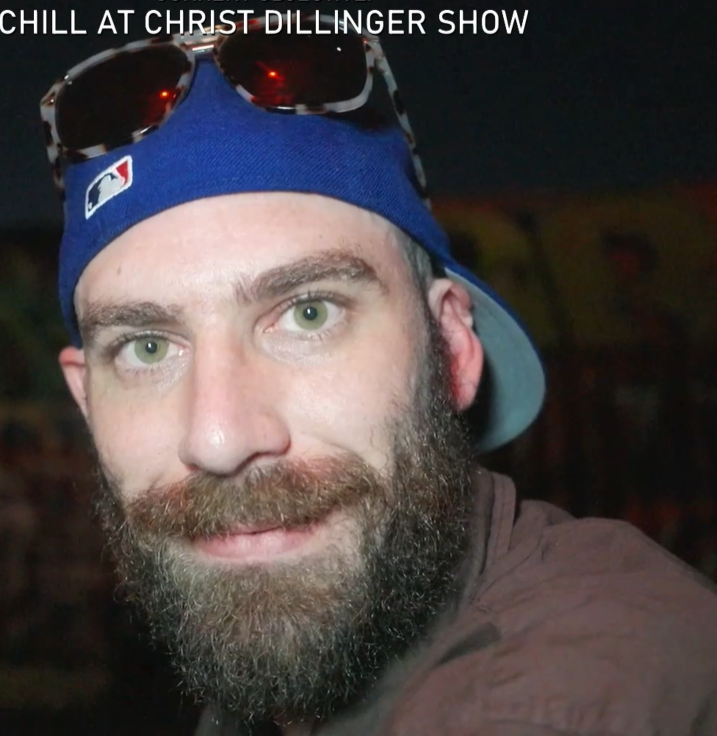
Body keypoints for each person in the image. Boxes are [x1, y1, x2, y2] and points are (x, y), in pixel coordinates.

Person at [41, 17, 717, 736]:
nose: (219, 438)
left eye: (308, 313)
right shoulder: (298, 687)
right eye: (147, 347)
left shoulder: (567, 695)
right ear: (86, 401)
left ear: (451, 348)